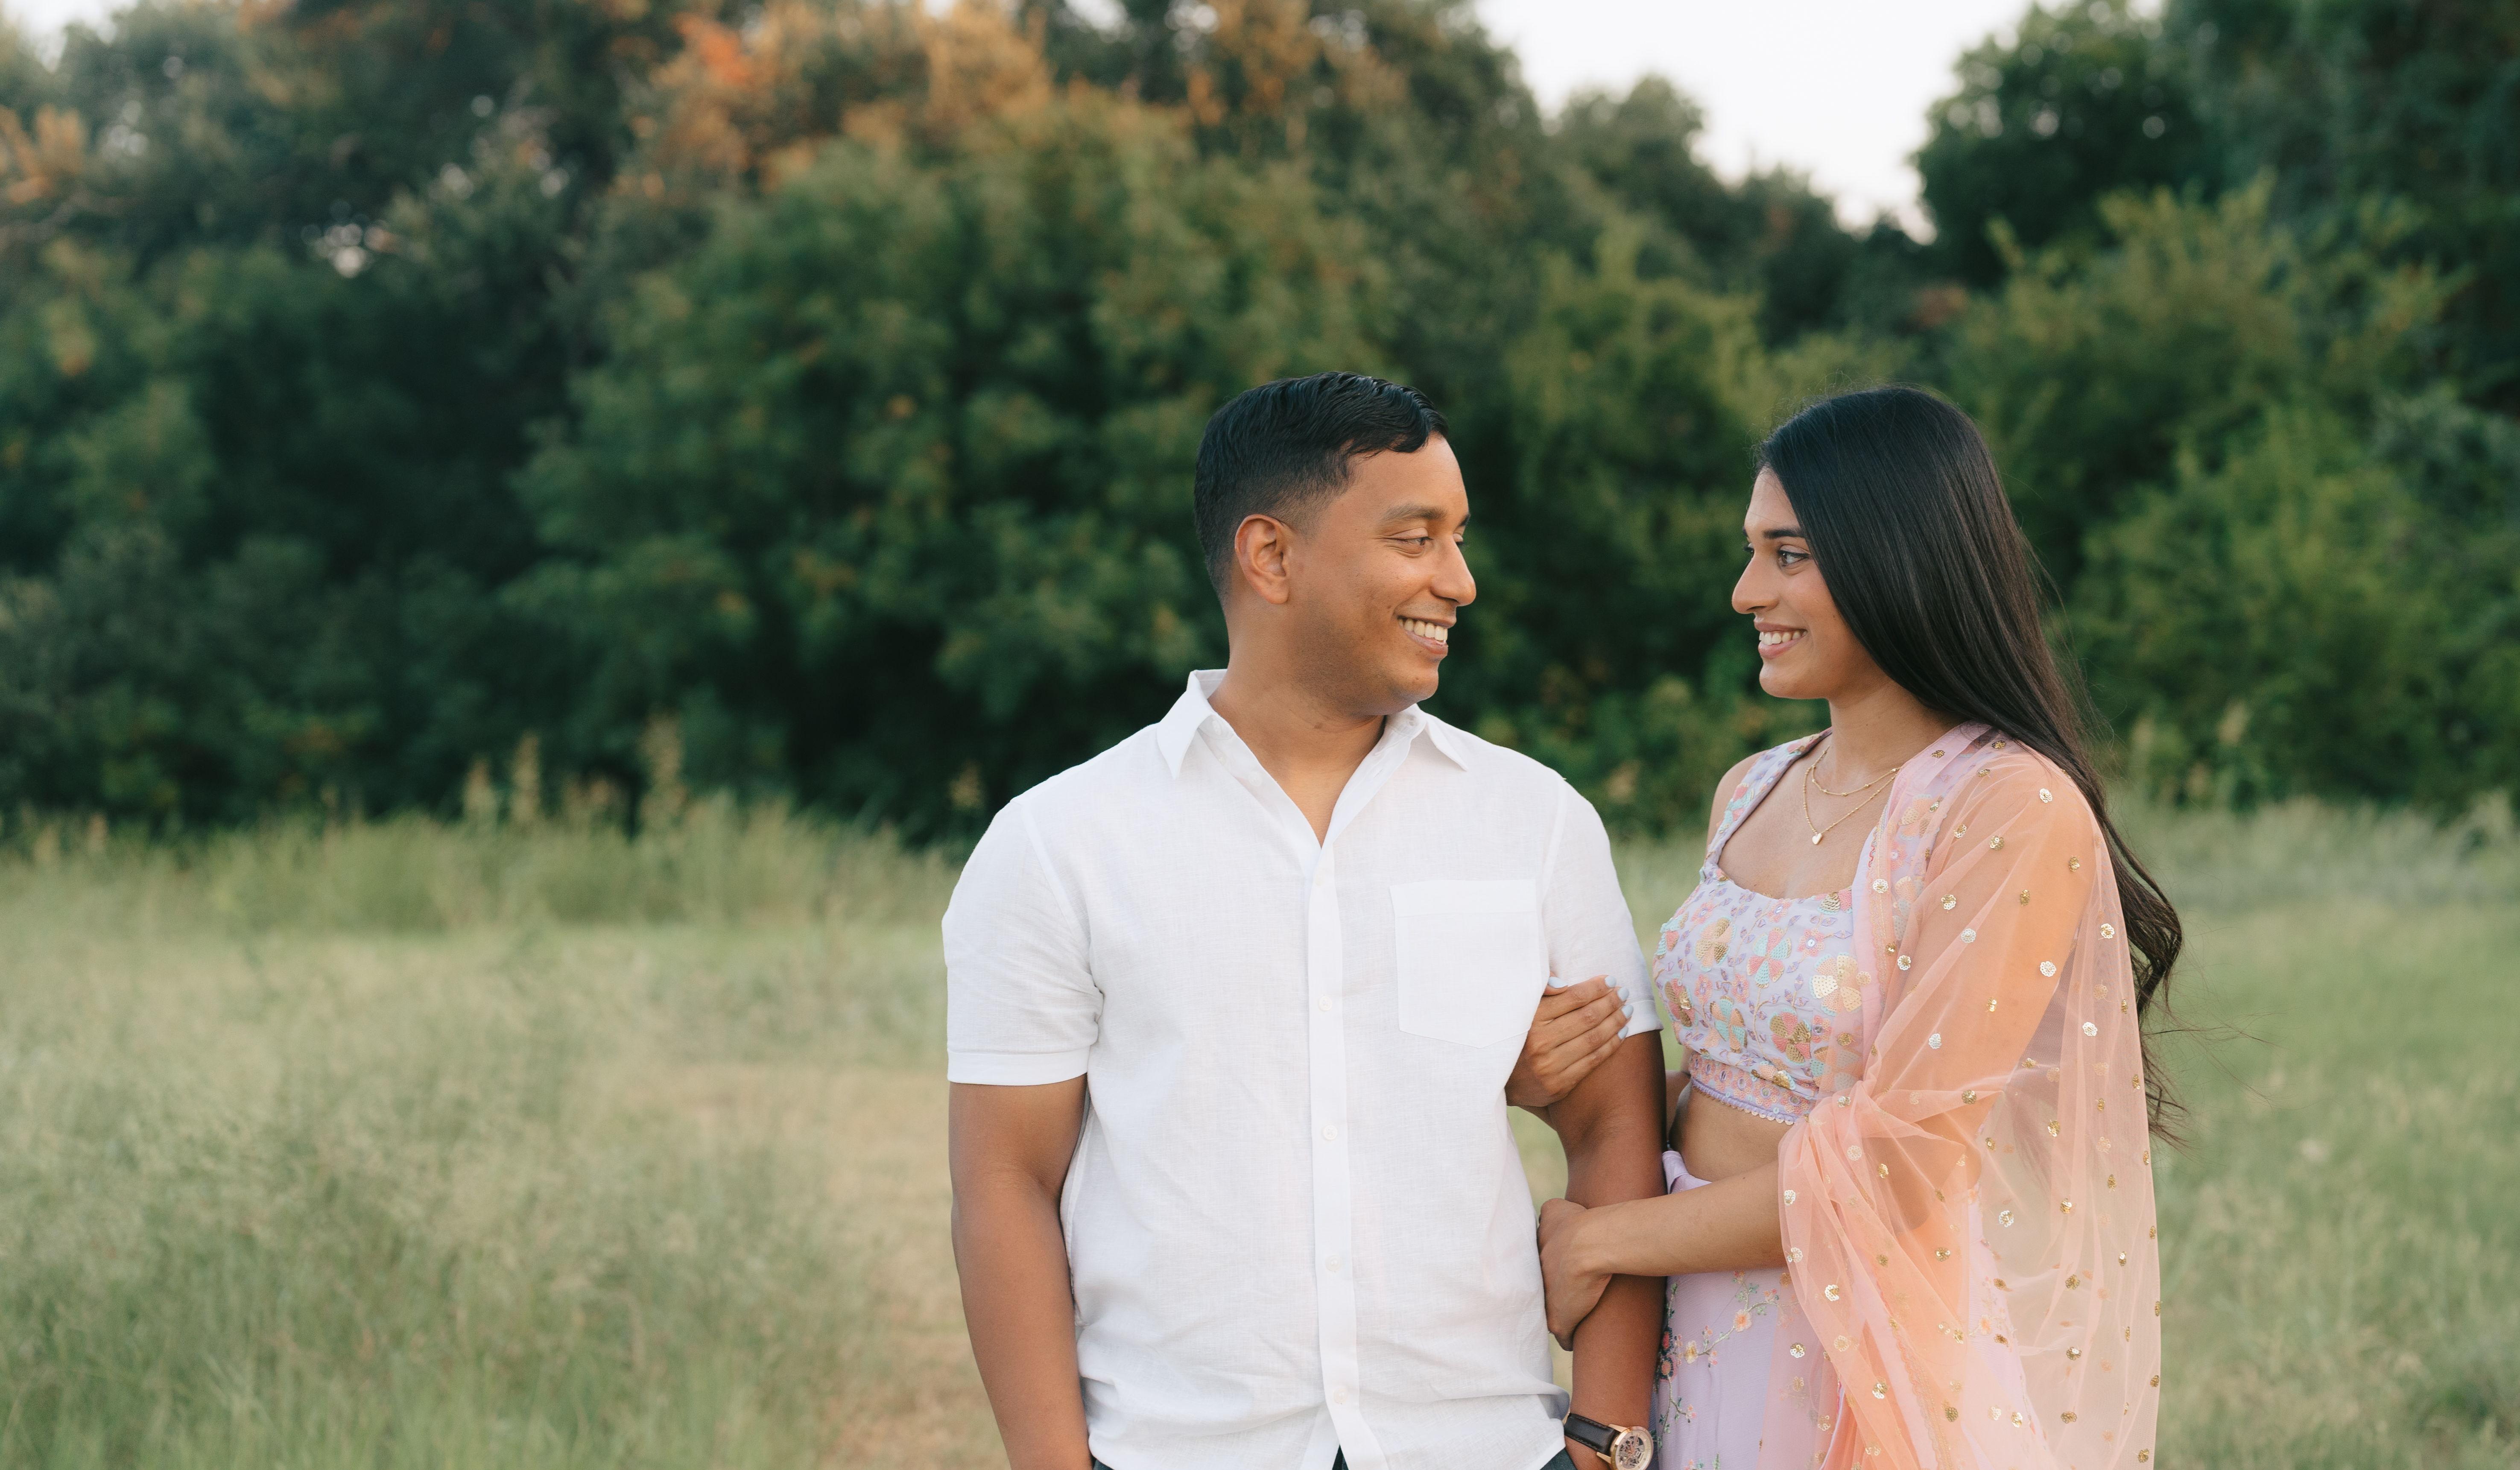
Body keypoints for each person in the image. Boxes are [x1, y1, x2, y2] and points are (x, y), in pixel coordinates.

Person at [944, 372, 1668, 1470]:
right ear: (1270, 557)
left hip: (1481, 1444)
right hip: (1179, 1450)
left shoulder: (1535, 821)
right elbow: (1005, 1182)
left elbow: (1617, 1129)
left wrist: (1603, 1439)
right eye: (1414, 539)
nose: (1459, 582)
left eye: (1458, 539)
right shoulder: (1058, 843)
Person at [1516, 386, 2178, 1470]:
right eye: (1750, 554)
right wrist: (1556, 1090)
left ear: (1895, 557)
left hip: (1852, 1349)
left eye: (1787, 555)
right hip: (1679, 1324)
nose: (1744, 592)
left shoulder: (2005, 807)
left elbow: (1900, 1165)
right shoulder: (1752, 788)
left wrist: (1604, 1241)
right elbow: (1714, 1079)